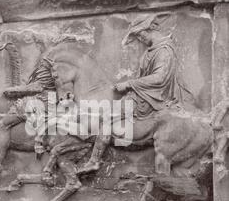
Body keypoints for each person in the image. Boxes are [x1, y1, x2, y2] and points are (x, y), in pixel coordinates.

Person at [78, 13, 193, 174]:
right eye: (138, 36)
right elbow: (143, 77)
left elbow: (159, 78)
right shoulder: (149, 52)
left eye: (141, 34)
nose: (140, 39)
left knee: (107, 116)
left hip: (152, 99)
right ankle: (93, 156)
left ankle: (94, 161)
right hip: (141, 96)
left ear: (152, 28)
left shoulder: (164, 50)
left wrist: (128, 84)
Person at [0, 56, 56, 177]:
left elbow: (38, 86)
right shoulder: (54, 62)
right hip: (46, 101)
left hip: (41, 102)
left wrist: (15, 90)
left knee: (4, 124)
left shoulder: (48, 63)